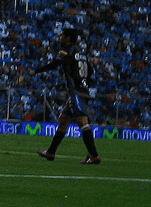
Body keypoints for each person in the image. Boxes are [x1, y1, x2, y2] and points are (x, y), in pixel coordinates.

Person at [32, 27, 101, 165]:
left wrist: (37, 71)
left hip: (76, 91)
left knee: (82, 121)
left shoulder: (66, 51)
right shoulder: (83, 54)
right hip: (82, 90)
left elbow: (56, 63)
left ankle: (94, 156)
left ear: (68, 39)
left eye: (62, 36)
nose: (60, 38)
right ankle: (51, 152)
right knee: (63, 120)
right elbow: (91, 71)